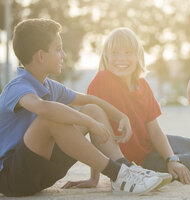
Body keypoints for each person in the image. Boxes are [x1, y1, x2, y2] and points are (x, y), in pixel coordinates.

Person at [0, 19, 167, 197]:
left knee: (92, 109)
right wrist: (90, 123)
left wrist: (120, 116)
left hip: (42, 173)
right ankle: (119, 174)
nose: (63, 55)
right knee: (50, 119)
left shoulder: (50, 86)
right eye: (58, 49)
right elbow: (44, 108)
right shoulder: (17, 87)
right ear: (41, 56)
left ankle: (125, 169)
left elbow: (90, 100)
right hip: (14, 178)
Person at [63, 27, 190, 189]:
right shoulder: (102, 81)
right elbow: (96, 132)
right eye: (115, 53)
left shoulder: (143, 85)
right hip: (141, 163)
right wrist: (94, 179)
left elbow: (154, 130)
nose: (121, 58)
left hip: (152, 145)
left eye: (128, 52)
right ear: (106, 56)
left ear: (138, 55)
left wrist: (171, 159)